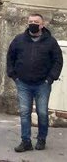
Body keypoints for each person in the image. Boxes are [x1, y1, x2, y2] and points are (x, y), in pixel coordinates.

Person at [7, 13, 63, 152]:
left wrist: (50, 78)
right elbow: (10, 57)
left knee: (42, 113)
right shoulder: (19, 40)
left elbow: (58, 61)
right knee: (25, 113)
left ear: (42, 25)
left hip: (42, 84)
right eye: (30, 21)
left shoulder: (50, 42)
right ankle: (25, 141)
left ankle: (41, 139)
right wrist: (13, 75)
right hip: (23, 83)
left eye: (36, 21)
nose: (33, 23)